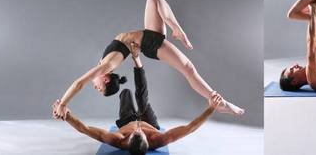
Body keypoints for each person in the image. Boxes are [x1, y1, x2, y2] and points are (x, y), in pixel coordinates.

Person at [53, 0, 244, 119]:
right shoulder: (107, 66)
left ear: (106, 80)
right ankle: (216, 100)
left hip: (148, 35)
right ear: (105, 79)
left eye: (97, 89)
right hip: (150, 44)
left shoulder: (103, 64)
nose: (94, 86)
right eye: (99, 89)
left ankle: (177, 29)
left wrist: (62, 104)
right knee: (188, 69)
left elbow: (78, 83)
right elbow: (78, 84)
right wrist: (63, 104)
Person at [57, 51, 223, 150]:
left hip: (126, 121)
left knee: (126, 93)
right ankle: (138, 64)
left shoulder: (118, 140)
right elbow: (190, 128)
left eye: (134, 133)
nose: (137, 128)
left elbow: (85, 129)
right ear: (146, 139)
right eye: (140, 133)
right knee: (142, 100)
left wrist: (67, 116)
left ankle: (136, 67)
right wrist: (211, 108)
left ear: (128, 140)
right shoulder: (159, 139)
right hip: (150, 122)